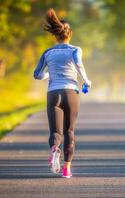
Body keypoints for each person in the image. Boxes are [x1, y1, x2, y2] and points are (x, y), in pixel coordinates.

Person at [33, 8, 92, 178]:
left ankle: (54, 149)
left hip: (53, 93)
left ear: (55, 35)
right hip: (70, 93)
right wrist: (86, 81)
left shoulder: (48, 52)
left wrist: (49, 74)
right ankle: (66, 169)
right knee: (69, 131)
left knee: (55, 133)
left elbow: (37, 75)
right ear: (70, 33)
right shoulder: (75, 50)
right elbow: (79, 65)